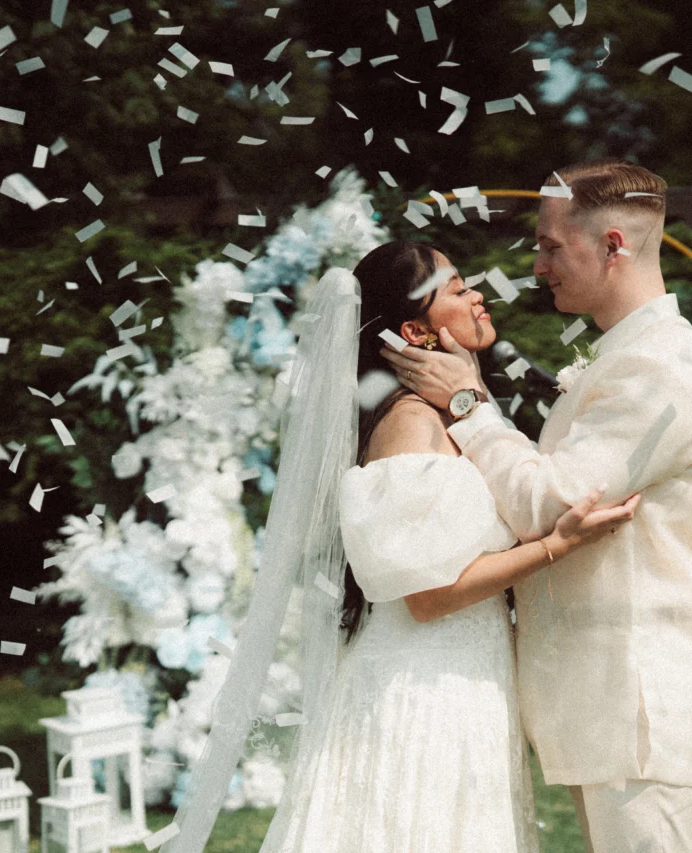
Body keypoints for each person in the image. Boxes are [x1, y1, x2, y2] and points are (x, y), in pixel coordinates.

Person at [380, 160, 692, 853]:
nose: (537, 266)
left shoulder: (659, 367)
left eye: (549, 245)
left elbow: (551, 503)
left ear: (612, 245)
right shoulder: (624, 357)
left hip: (639, 701)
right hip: (602, 701)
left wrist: (467, 403)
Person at [249, 240, 642, 853]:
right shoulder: (410, 424)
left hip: (469, 680)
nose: (478, 294)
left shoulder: (455, 418)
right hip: (421, 689)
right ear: (415, 329)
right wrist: (557, 546)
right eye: (458, 289)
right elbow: (428, 597)